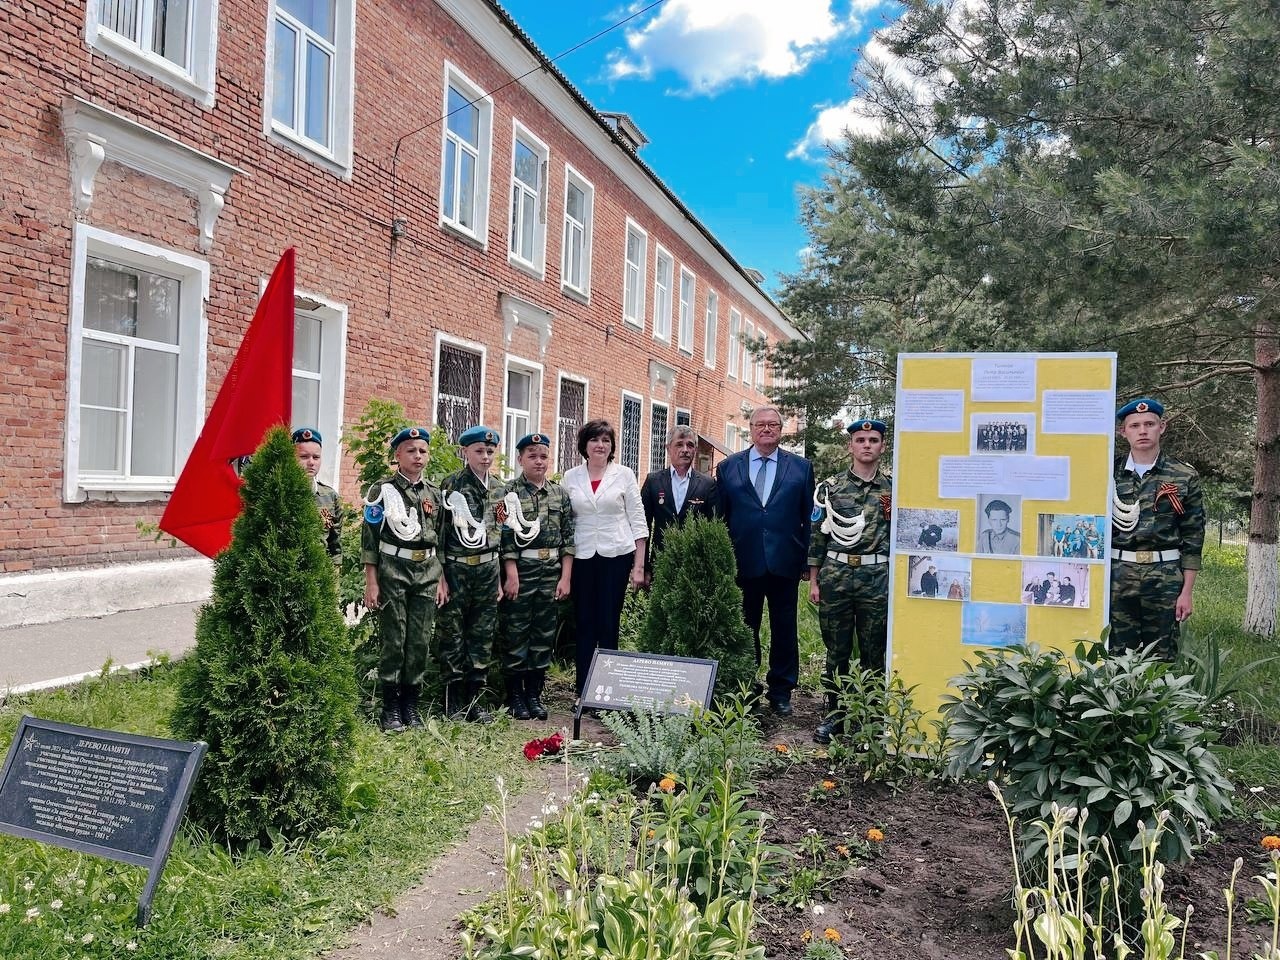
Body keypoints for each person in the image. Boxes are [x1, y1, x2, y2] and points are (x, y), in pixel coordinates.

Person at [719, 405, 815, 717]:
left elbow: (807, 518)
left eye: (773, 424)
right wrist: (723, 560)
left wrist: (806, 560)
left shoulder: (800, 468)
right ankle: (745, 686)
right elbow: (721, 518)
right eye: (760, 424)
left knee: (784, 628)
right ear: (750, 429)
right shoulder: (728, 467)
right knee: (745, 627)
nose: (766, 429)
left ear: (781, 429)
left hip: (784, 560)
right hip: (742, 561)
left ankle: (781, 690)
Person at [808, 419, 892, 743]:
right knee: (837, 651)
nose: (867, 445)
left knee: (874, 651)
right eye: (861, 439)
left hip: (877, 578)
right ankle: (835, 716)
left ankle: (870, 716)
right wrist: (814, 581)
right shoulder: (831, 488)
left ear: (882, 446)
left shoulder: (892, 489)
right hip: (837, 577)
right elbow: (817, 537)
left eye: (873, 439)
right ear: (850, 446)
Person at [362, 427, 445, 733]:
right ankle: (391, 708)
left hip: (426, 572)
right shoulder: (382, 490)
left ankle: (411, 705)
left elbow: (443, 540)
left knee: (420, 640)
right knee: (395, 639)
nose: (418, 456)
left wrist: (442, 578)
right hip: (393, 571)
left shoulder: (434, 494)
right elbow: (369, 540)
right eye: (411, 450)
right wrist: (372, 582)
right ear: (397, 455)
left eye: (422, 450)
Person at [1109, 398, 1204, 659]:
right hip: (1117, 575)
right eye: (1135, 425)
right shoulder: (1108, 472)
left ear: (1161, 427)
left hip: (1164, 577)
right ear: (1123, 432)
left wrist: (1187, 592)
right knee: (1117, 655)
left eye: (1149, 424)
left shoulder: (1183, 476)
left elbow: (1193, 536)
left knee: (1161, 657)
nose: (1142, 430)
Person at [562, 420, 648, 696]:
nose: (600, 445)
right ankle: (584, 689)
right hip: (583, 556)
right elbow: (566, 521)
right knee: (585, 622)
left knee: (609, 623)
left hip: (616, 556)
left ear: (612, 446)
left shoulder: (624, 475)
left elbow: (638, 521)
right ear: (584, 445)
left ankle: (608, 690)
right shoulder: (571, 477)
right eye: (595, 440)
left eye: (606, 440)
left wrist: (638, 566)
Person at [500, 433, 574, 720]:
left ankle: (534, 694)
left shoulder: (559, 494)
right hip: (522, 571)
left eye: (543, 455)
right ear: (520, 459)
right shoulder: (508, 494)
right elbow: (504, 538)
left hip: (551, 572)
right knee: (516, 632)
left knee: (543, 635)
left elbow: (569, 539)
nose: (539, 461)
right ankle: (515, 696)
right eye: (532, 456)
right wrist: (510, 573)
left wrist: (565, 577)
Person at [437, 426, 504, 723]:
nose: (485, 456)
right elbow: (438, 535)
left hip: (488, 570)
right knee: (453, 632)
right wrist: (440, 576)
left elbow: (502, 535)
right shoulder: (451, 485)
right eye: (479, 451)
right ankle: (453, 702)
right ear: (465, 452)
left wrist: (500, 577)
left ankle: (476, 701)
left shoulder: (500, 488)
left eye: (490, 451)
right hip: (458, 568)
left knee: (482, 634)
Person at [640, 424, 719, 583]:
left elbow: (713, 529)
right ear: (668, 448)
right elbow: (643, 527)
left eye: (690, 445)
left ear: (695, 450)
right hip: (660, 564)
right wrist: (644, 567)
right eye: (679, 444)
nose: (685, 449)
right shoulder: (653, 481)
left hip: (695, 567)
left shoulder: (707, 484)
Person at [292, 427, 342, 564]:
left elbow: (335, 543)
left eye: (316, 457)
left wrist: (334, 576)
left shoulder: (330, 497)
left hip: (319, 573)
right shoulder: (280, 494)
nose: (311, 462)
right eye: (304, 457)